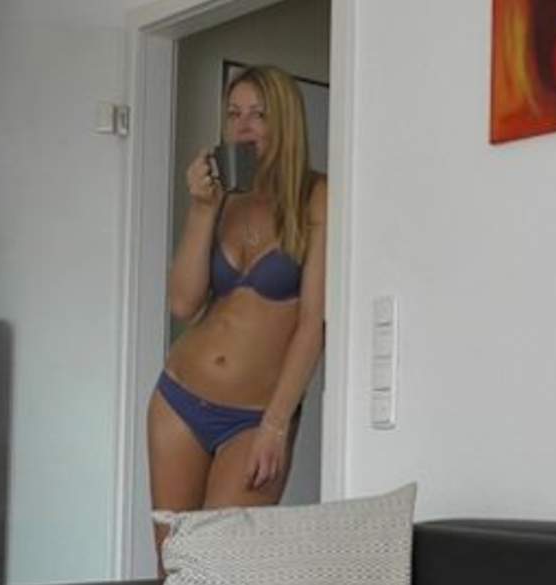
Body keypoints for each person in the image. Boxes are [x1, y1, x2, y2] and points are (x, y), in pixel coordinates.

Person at [147, 64, 327, 576]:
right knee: (174, 570)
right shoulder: (221, 198)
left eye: (258, 114)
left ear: (284, 121)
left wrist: (276, 425)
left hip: (254, 419)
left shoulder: (316, 195)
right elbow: (183, 304)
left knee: (222, 571)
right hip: (178, 402)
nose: (243, 126)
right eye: (233, 114)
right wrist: (201, 209)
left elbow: (312, 324)